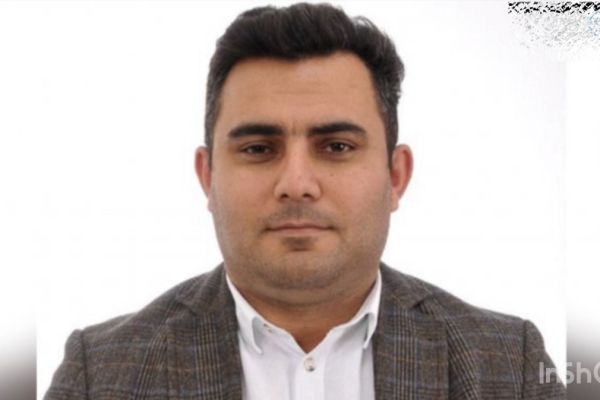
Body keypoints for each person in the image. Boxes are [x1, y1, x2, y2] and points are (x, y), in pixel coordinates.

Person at [45, 3, 565, 399]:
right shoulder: (101, 375)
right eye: (258, 148)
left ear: (396, 176)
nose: (296, 183)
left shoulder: (507, 366)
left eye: (336, 147)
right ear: (208, 177)